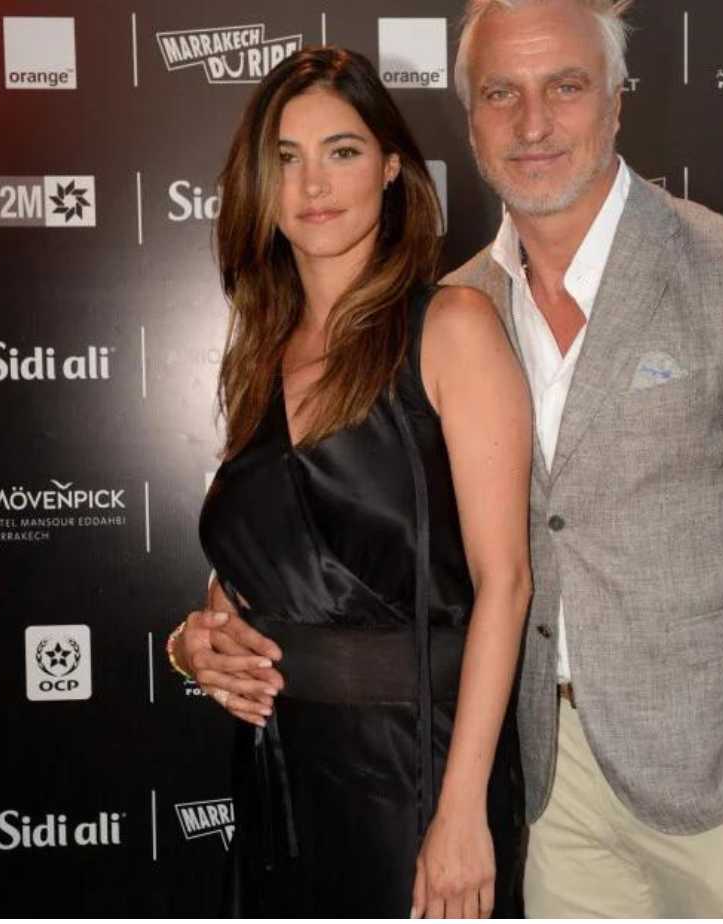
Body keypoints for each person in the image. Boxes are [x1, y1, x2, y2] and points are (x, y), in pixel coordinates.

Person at [178, 0, 723, 917]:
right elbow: (317, 543)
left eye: (564, 87)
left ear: (617, 99)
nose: (533, 123)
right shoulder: (458, 302)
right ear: (471, 119)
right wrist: (199, 637)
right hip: (544, 792)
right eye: (501, 93)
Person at [174, 46, 533, 918]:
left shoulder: (452, 326)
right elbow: (273, 564)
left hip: (418, 771)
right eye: (286, 158)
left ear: (392, 167)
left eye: (342, 151)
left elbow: (506, 583)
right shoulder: (259, 354)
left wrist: (461, 813)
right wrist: (199, 640)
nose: (312, 184)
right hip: (282, 775)